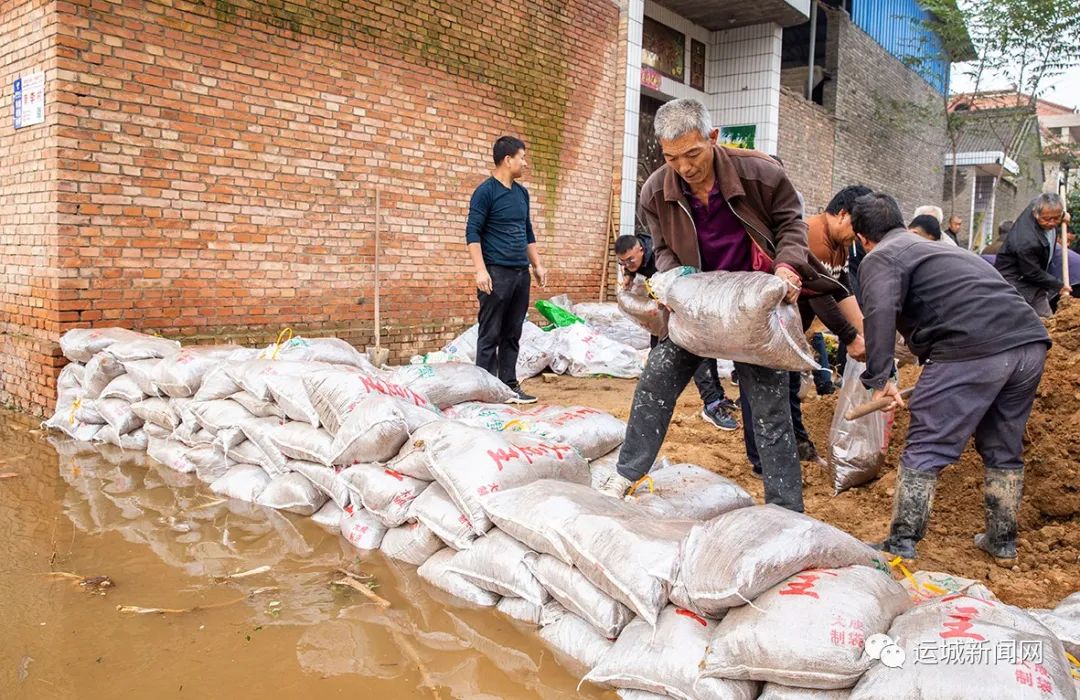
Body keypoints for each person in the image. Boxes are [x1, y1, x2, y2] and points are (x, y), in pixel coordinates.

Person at [595, 97, 844, 511]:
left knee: (769, 408)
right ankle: (625, 474)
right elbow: (663, 250)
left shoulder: (760, 173)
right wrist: (678, 286)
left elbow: (791, 224)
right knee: (655, 383)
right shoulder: (656, 190)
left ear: (712, 138)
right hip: (699, 307)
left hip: (751, 308)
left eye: (693, 153)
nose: (685, 167)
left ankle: (786, 509)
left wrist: (786, 268)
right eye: (673, 158)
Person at [852, 192, 1050, 565]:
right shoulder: (941, 248)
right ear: (900, 220)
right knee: (1003, 442)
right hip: (1029, 343)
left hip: (973, 348)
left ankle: (902, 542)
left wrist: (880, 376)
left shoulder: (881, 256)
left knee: (928, 441)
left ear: (861, 238)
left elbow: (880, 310)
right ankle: (1002, 540)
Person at [740, 184, 871, 475]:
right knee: (763, 392)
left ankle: (797, 447)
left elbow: (840, 288)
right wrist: (850, 338)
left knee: (788, 388)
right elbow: (819, 295)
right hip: (769, 327)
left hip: (790, 332)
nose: (858, 238)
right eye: (856, 228)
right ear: (842, 214)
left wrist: (868, 332)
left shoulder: (840, 245)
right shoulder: (813, 236)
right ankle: (762, 460)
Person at [615, 234, 739, 430]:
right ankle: (657, 402)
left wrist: (670, 298)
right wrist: (629, 275)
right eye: (622, 262)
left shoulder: (659, 256)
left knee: (698, 350)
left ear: (641, 250)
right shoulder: (635, 257)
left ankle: (714, 402)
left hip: (686, 300)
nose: (627, 264)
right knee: (659, 349)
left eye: (630, 260)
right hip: (665, 305)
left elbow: (676, 276)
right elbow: (633, 269)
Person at [466, 136, 548, 404]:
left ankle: (509, 386)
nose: (524, 163)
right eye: (522, 157)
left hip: (519, 273)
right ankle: (485, 390)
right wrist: (480, 270)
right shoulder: (485, 192)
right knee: (490, 332)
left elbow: (527, 231)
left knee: (513, 332)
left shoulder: (521, 193)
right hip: (495, 272)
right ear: (507, 159)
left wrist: (536, 265)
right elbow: (473, 232)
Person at [994, 193, 1070, 318]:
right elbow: (1032, 272)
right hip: (1015, 282)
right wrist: (1059, 286)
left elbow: (1052, 210)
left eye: (1056, 218)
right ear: (1035, 214)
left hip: (1032, 280)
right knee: (1039, 321)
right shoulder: (1026, 241)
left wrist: (1064, 216)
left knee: (1046, 321)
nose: (1051, 223)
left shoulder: (1039, 204)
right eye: (1046, 219)